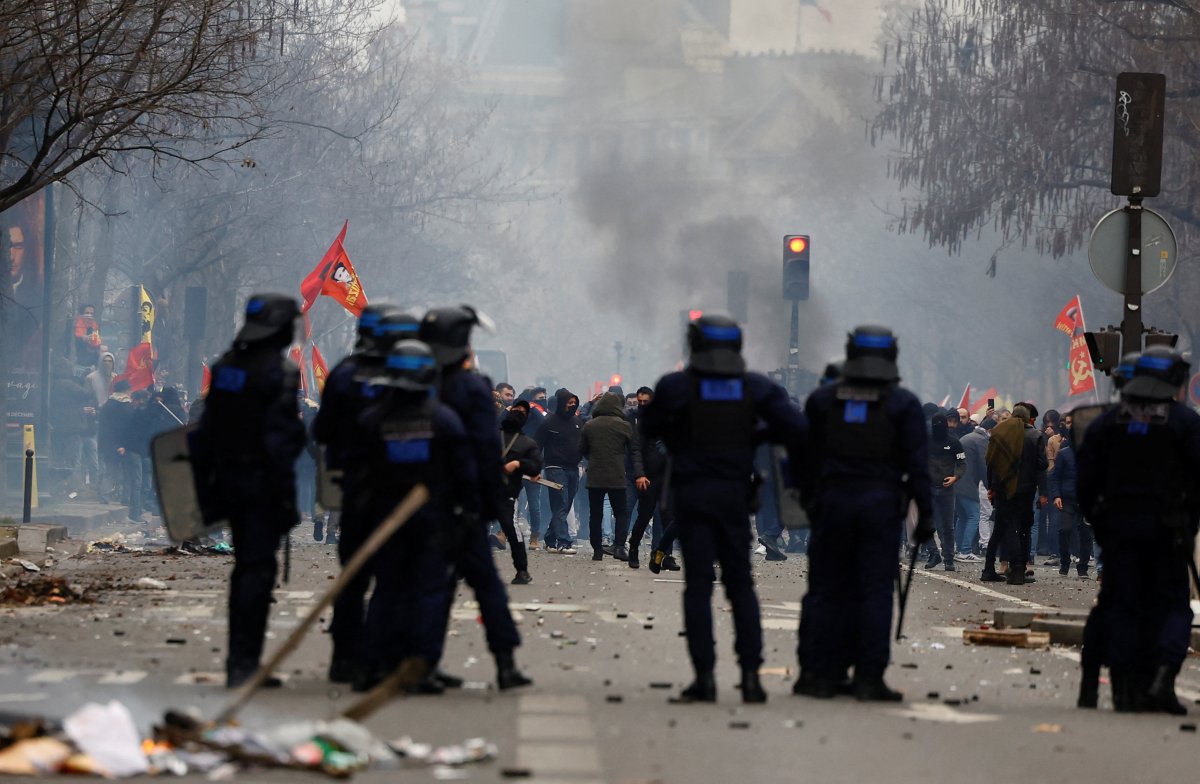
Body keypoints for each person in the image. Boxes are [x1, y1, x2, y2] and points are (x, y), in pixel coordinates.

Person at [642, 313, 806, 704]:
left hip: (692, 494)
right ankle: (751, 677)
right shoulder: (755, 387)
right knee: (741, 585)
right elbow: (795, 429)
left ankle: (705, 678)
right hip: (734, 494)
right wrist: (755, 436)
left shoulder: (676, 386)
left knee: (697, 586)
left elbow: (648, 427)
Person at [795, 325, 931, 702]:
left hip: (833, 503)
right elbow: (918, 467)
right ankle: (869, 677)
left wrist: (810, 500)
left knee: (826, 589)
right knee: (874, 592)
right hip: (880, 506)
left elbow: (804, 459)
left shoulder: (822, 400)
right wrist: (927, 515)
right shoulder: (903, 404)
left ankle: (820, 675)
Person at [1077, 347, 1200, 713]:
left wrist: (1099, 521)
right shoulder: (1185, 422)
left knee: (1123, 605)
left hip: (1119, 529)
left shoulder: (1107, 421)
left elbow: (1086, 481)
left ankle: (1126, 685)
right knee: (1173, 605)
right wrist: (1188, 520)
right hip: (1169, 531)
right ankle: (1162, 675)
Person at [192, 294, 305, 689]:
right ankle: (244, 665)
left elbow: (205, 433)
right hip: (263, 486)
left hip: (227, 482)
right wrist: (287, 500)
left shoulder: (225, 368)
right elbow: (280, 442)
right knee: (257, 572)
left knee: (245, 568)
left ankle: (241, 661)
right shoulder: (281, 373)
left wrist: (205, 491)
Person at [420, 305, 531, 691]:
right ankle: (504, 664)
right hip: (463, 500)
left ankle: (424, 664)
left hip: (422, 499)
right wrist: (487, 501)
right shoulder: (471, 387)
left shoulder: (417, 382)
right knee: (485, 584)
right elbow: (487, 450)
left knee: (432, 584)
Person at [354, 340, 476, 691]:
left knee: (387, 590)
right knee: (427, 593)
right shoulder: (444, 419)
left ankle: (374, 665)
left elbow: (357, 474)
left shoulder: (372, 420)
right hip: (432, 521)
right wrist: (467, 513)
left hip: (385, 519)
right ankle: (418, 667)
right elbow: (464, 473)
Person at [311, 304, 413, 682]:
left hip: (355, 487)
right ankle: (379, 656)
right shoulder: (411, 375)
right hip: (400, 492)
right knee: (393, 576)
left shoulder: (345, 374)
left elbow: (320, 432)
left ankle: (343, 657)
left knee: (353, 574)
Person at [984, 404, 1047, 585]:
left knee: (1003, 528)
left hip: (1003, 488)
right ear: (1028, 418)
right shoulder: (1035, 435)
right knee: (1023, 528)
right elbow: (1042, 466)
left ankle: (991, 567)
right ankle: (1019, 568)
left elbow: (991, 462)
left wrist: (992, 487)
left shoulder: (1000, 432)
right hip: (1026, 490)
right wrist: (1043, 492)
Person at [580, 391, 639, 561]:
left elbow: (582, 449)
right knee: (621, 512)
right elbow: (632, 449)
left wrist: (593, 459)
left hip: (595, 476)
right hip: (617, 475)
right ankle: (619, 546)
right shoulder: (623, 426)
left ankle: (597, 550)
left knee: (596, 514)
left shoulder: (590, 425)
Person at [534, 388, 583, 553]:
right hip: (555, 468)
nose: (573, 405)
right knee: (560, 503)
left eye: (574, 403)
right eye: (569, 403)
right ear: (561, 403)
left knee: (566, 504)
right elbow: (537, 446)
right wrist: (535, 467)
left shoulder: (577, 422)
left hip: (573, 469)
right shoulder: (549, 423)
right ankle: (564, 542)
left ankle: (550, 537)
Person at [499, 400, 541, 584]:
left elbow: (535, 467)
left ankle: (522, 570)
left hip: (503, 492)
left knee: (512, 529)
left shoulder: (526, 443)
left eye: (521, 412)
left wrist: (517, 464)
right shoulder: (491, 436)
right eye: (516, 410)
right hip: (492, 491)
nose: (517, 413)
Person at [924, 411, 965, 570]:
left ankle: (949, 558)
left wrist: (956, 477)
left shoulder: (954, 443)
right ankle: (934, 553)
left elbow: (962, 463)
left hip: (947, 489)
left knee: (948, 526)